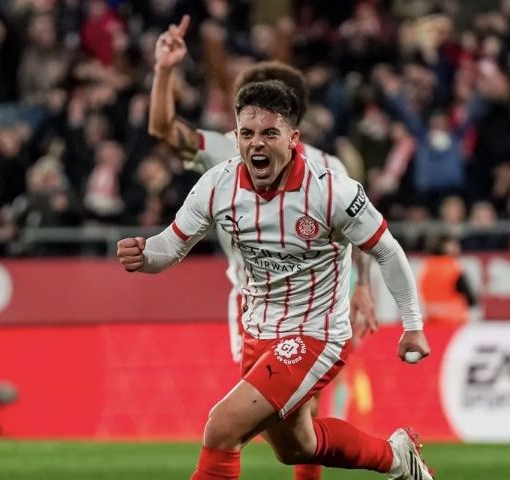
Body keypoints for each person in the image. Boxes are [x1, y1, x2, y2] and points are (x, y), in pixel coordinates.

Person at [119, 80, 433, 480]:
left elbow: (387, 250)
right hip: (259, 332)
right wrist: (144, 254)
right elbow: (171, 246)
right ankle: (397, 458)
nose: (257, 143)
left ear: (292, 139)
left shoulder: (331, 191)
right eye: (247, 133)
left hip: (316, 334)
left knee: (222, 427)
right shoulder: (218, 184)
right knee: (296, 447)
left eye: (269, 133)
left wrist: (412, 325)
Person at [148, 16, 378, 367]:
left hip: (313, 306)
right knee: (274, 400)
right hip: (254, 304)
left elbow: (358, 233)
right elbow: (163, 128)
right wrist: (164, 70)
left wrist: (362, 286)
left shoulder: (329, 167)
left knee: (280, 399)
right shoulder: (225, 149)